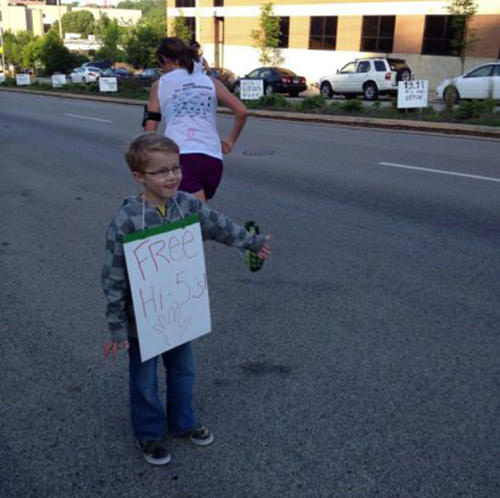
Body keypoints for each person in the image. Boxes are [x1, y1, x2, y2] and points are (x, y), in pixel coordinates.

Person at [101, 132, 271, 466]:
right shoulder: (127, 220)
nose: (172, 176)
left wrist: (250, 242)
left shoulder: (187, 204)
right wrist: (116, 326)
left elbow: (219, 225)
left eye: (176, 168)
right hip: (142, 321)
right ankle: (149, 434)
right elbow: (113, 275)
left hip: (180, 313)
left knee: (184, 371)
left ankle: (182, 422)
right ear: (139, 176)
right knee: (144, 379)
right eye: (161, 171)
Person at [144, 37, 247, 203]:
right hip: (212, 160)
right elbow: (241, 111)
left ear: (165, 59)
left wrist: (148, 163)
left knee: (191, 222)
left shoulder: (160, 85)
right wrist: (230, 141)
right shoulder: (211, 82)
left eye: (160, 63)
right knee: (193, 219)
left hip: (180, 158)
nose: (161, 69)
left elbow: (150, 128)